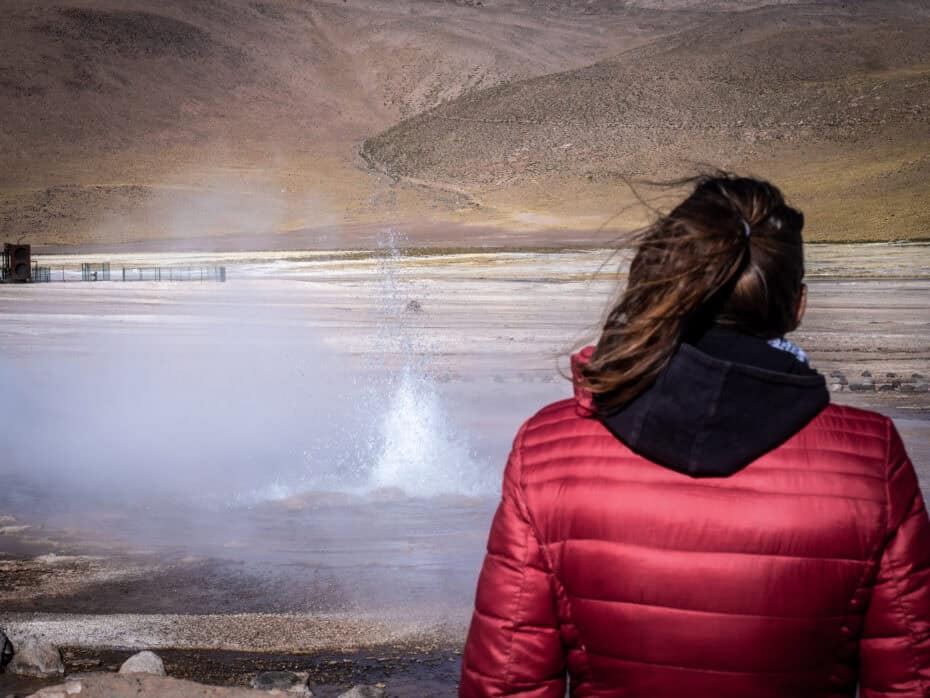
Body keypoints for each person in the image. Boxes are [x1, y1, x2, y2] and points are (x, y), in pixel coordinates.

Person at [459, 174, 930, 697]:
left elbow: (506, 684)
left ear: (663, 287)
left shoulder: (547, 451)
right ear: (797, 305)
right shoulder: (871, 460)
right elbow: (911, 679)